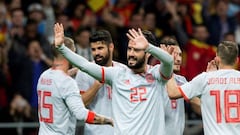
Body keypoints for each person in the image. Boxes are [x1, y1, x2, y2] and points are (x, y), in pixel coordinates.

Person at [54, 23, 173, 134]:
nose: (131, 54)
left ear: (148, 53)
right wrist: (62, 48)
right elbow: (85, 66)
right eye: (129, 49)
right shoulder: (117, 74)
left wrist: (148, 46)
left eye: (136, 50)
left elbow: (169, 61)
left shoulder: (156, 75)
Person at [37, 36, 113, 135]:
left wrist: (78, 69)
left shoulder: (44, 76)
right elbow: (81, 114)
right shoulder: (68, 82)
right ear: (69, 54)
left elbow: (58, 80)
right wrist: (109, 121)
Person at [166, 41, 240, 135]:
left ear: (217, 58)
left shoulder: (205, 79)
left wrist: (167, 64)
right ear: (236, 60)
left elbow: (172, 93)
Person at [75, 30, 126, 135]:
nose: (96, 53)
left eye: (100, 48)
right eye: (93, 49)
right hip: (94, 132)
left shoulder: (123, 71)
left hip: (120, 131)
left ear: (111, 47)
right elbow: (79, 104)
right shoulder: (85, 72)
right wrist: (97, 84)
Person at [160, 38, 187, 135]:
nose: (179, 59)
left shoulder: (182, 80)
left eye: (180, 55)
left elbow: (197, 102)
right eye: (174, 54)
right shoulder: (153, 79)